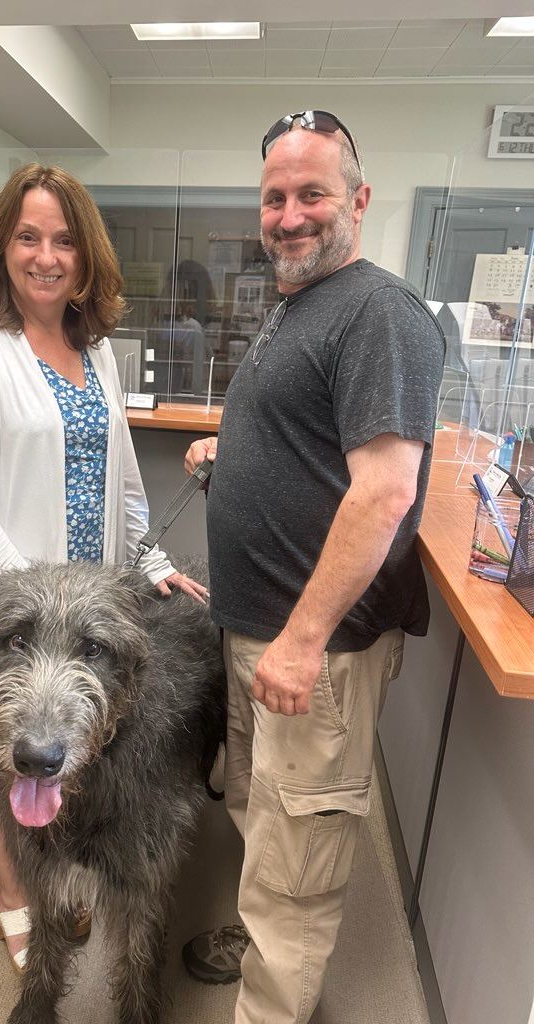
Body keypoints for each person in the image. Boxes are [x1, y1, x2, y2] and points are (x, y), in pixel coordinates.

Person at [180, 111, 445, 1023]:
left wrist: (300, 640)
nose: (290, 215)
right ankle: (259, 945)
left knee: (297, 869)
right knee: (264, 822)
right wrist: (233, 449)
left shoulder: (381, 312)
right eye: (275, 198)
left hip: (310, 656)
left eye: (313, 194)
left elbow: (383, 493)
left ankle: (272, 996)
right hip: (264, 638)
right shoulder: (303, 305)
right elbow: (317, 442)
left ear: (359, 200)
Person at [0, 163, 207, 975]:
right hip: (10, 611)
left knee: (73, 750)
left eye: (63, 241)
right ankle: (17, 891)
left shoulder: (96, 349)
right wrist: (43, 607)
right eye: (27, 237)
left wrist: (147, 559)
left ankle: (60, 874)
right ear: (0, 248)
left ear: (86, 258)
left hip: (89, 615)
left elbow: (120, 474)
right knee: (1, 761)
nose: (46, 256)